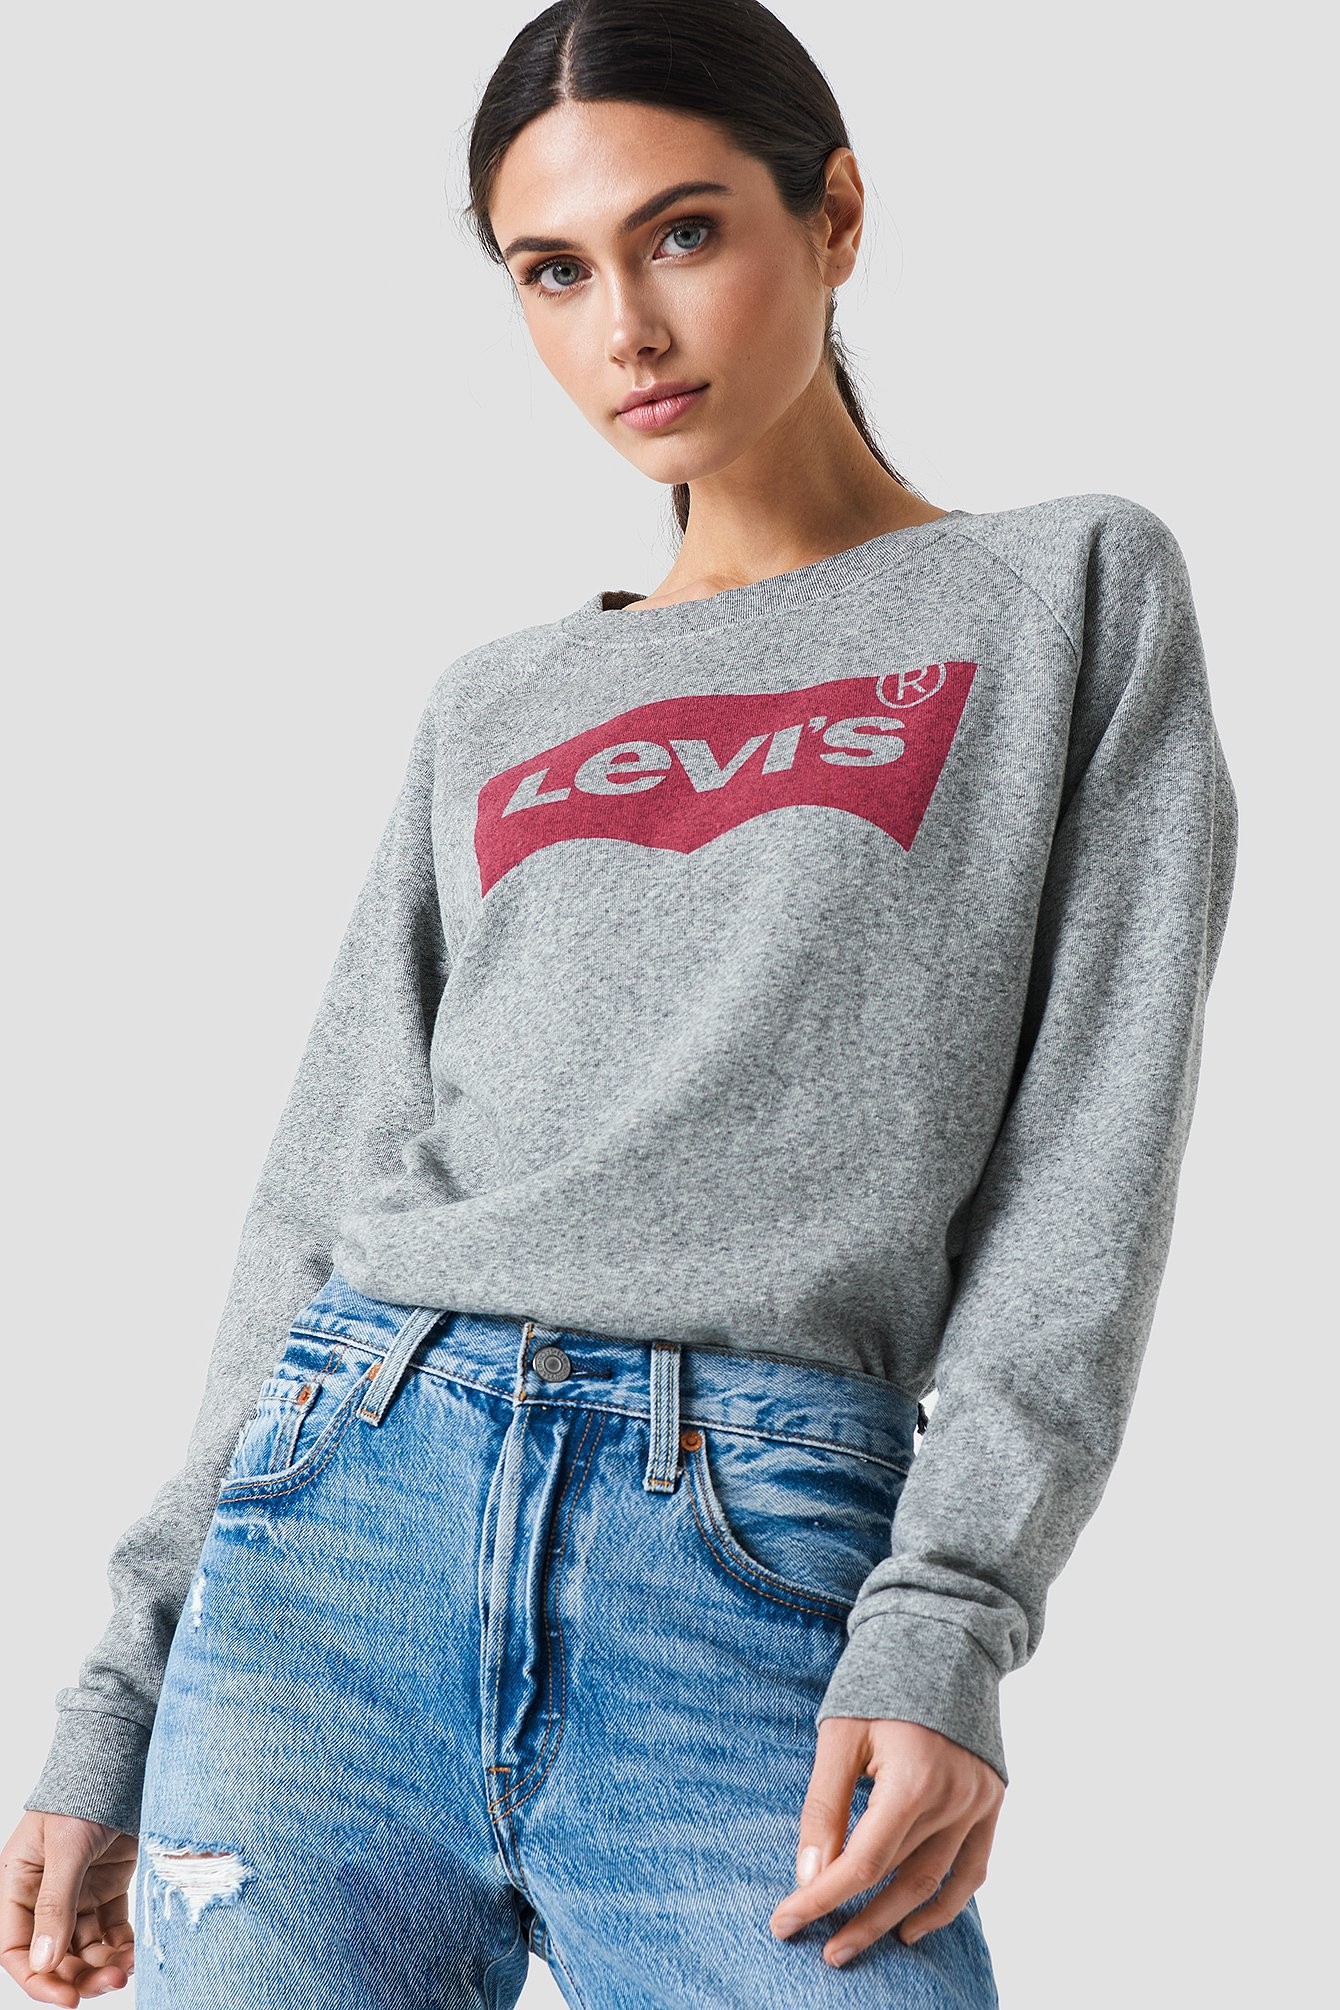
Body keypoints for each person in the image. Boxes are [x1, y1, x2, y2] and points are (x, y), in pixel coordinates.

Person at [3, 2, 1239, 2004]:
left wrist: (946, 1614)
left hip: (749, 1545)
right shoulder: (495, 701)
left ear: (834, 216)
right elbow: (320, 1190)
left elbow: (1091, 1158)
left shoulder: (1066, 593)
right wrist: (117, 1689)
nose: (626, 331)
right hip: (341, 1533)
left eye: (683, 233)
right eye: (553, 272)